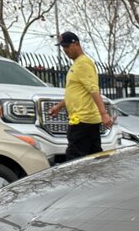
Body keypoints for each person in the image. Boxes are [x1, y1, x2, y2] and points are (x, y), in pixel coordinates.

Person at [48, 31, 114, 161]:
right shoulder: (77, 64)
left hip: (82, 120)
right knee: (95, 157)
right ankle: (101, 179)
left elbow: (93, 90)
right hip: (87, 120)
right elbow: (75, 93)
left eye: (67, 46)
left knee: (74, 159)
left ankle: (78, 181)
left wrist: (104, 114)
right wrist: (59, 107)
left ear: (76, 44)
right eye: (63, 47)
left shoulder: (83, 63)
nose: (65, 50)